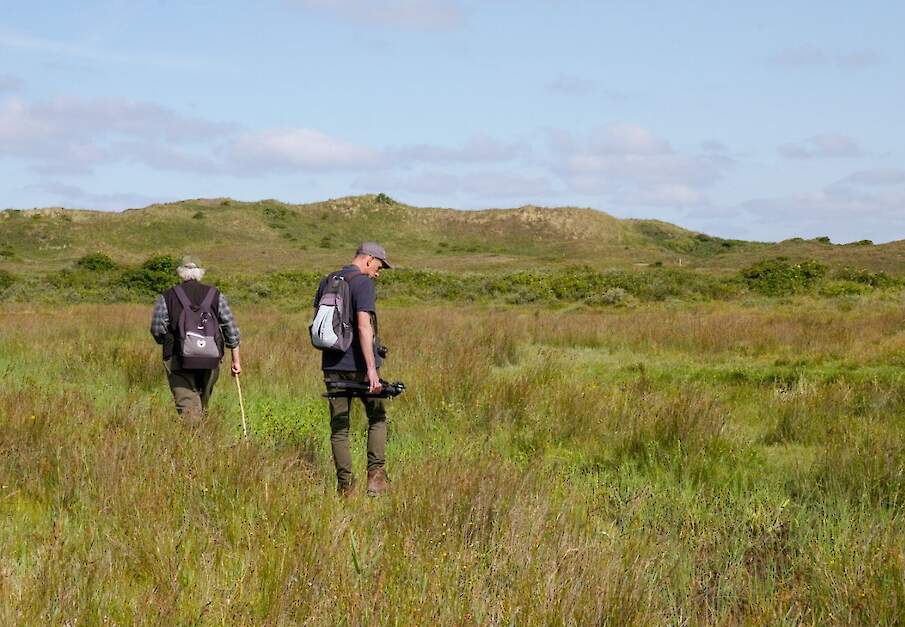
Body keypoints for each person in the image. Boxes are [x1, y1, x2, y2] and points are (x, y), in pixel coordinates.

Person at [314, 242, 392, 497]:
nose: (377, 273)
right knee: (377, 417)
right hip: (359, 365)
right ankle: (376, 479)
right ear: (368, 260)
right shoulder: (363, 283)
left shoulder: (328, 280)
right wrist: (372, 369)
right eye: (378, 267)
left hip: (331, 365)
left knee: (339, 428)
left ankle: (345, 488)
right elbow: (363, 326)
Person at [150, 256, 241, 423]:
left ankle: (195, 441)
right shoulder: (215, 295)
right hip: (210, 358)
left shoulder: (168, 296)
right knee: (202, 403)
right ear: (201, 273)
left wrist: (171, 341)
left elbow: (157, 329)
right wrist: (236, 360)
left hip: (178, 358)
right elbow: (231, 328)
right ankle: (204, 438)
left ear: (181, 273)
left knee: (188, 407)